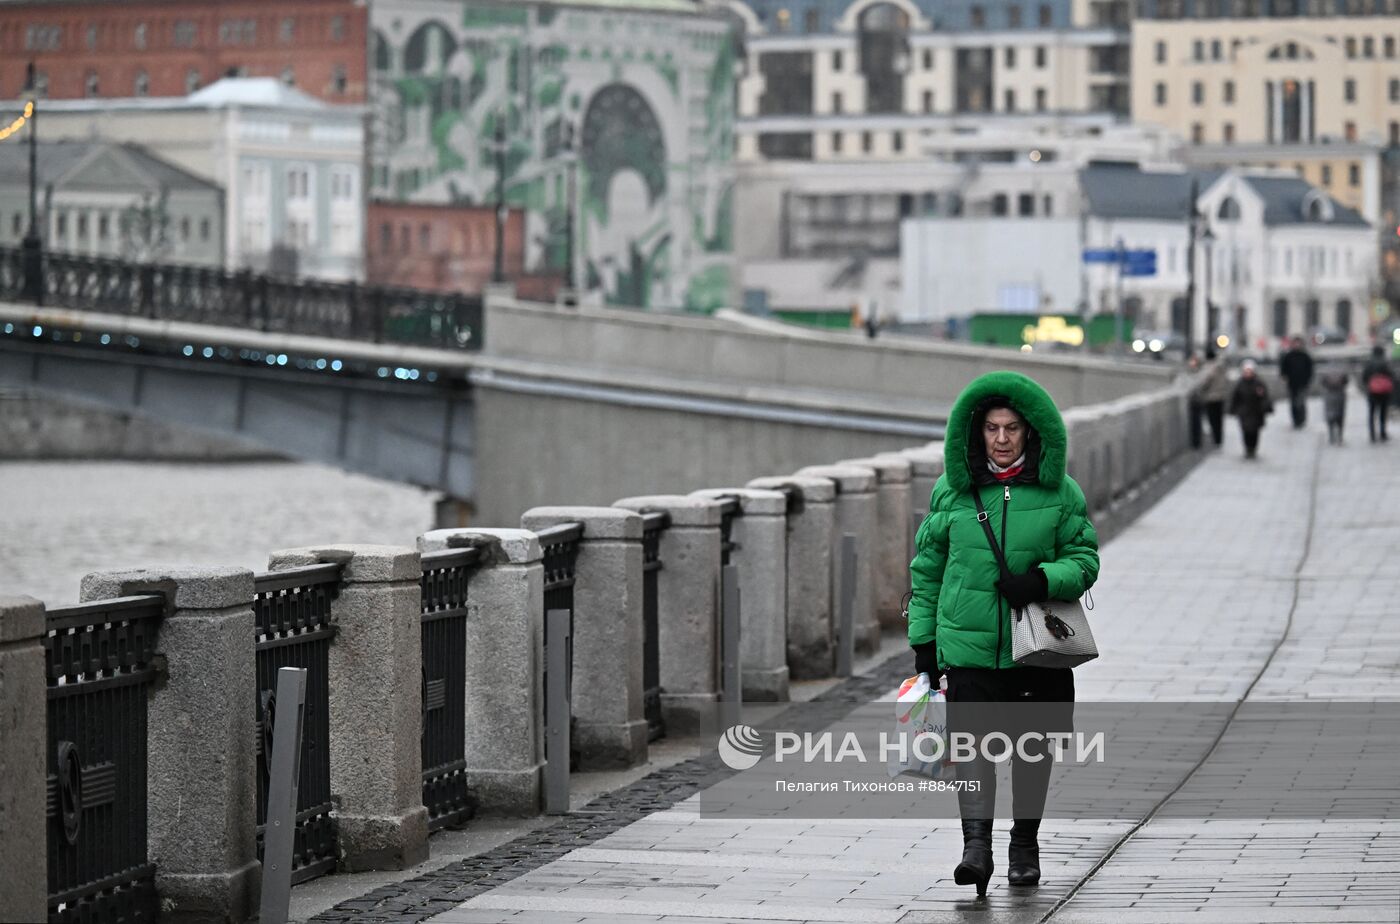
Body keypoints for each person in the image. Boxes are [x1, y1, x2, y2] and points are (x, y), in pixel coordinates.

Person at [908, 370, 1100, 896]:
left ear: (1029, 432)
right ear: (976, 434)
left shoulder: (1060, 493)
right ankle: (976, 849)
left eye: (1011, 428)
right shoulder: (952, 493)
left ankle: (1024, 847)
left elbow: (1085, 560)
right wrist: (924, 643)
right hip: (967, 646)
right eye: (991, 428)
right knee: (971, 749)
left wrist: (1041, 579)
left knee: (1032, 751)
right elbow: (927, 571)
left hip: (1036, 649)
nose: (1000, 439)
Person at [1228, 359, 1274, 459]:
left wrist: (1265, 406)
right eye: (1246, 371)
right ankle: (1247, 448)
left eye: (1249, 371)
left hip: (1256, 411)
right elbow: (1235, 397)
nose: (1248, 373)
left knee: (1255, 432)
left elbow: (1265, 397)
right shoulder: (1240, 384)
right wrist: (1233, 409)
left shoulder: (1259, 383)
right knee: (1245, 431)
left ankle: (1253, 448)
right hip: (1244, 412)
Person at [1193, 347, 1231, 448]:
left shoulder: (1209, 367)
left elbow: (1205, 381)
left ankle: (1215, 439)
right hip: (1221, 396)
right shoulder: (1222, 367)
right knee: (1219, 420)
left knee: (1212, 419)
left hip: (1211, 397)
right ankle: (1219, 439)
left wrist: (1199, 391)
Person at [1359, 345, 1395, 443]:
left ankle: (1372, 434)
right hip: (1384, 392)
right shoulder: (1385, 362)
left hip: (1372, 391)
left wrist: (1368, 385)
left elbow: (1364, 377)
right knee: (1383, 413)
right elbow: (1391, 375)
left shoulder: (1369, 363)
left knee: (1371, 413)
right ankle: (1382, 433)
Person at [1279, 335, 1315, 429]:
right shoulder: (1288, 356)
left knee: (1301, 402)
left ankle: (1301, 419)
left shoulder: (1305, 356)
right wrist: (1284, 376)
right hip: (1292, 384)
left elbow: (1310, 369)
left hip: (1303, 384)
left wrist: (1308, 380)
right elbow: (1283, 369)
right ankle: (1295, 420)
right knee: (1293, 403)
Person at [1320, 368, 1349, 446]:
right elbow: (1346, 381)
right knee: (1340, 415)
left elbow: (1323, 382)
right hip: (1340, 395)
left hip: (1329, 395)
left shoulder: (1327, 372)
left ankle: (1331, 435)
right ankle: (1340, 435)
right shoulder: (1342, 371)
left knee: (1330, 415)